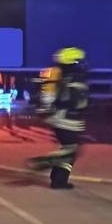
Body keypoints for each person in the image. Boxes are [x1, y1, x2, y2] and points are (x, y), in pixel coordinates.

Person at [28, 47, 90, 189]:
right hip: (67, 120)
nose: (83, 64)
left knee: (69, 150)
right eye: (79, 61)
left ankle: (59, 180)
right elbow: (74, 100)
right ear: (72, 63)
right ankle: (45, 162)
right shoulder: (73, 78)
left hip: (59, 118)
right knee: (71, 151)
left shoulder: (59, 75)